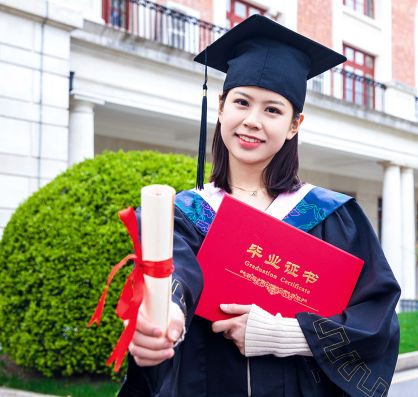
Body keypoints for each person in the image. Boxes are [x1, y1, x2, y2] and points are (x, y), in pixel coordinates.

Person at [119, 15, 400, 396]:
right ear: (220, 108)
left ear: (294, 125)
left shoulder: (333, 216)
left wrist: (290, 334)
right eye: (241, 102)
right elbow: (176, 271)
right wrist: (165, 316)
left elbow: (376, 319)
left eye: (272, 110)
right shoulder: (186, 213)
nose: (252, 121)